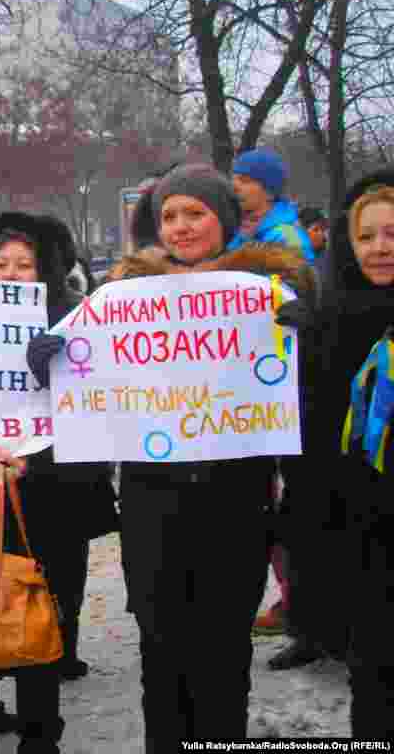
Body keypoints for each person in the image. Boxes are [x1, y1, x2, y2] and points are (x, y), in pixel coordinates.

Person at [96, 164, 313, 751]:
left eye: (196, 212)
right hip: (152, 503)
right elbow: (90, 378)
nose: (181, 226)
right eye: (169, 215)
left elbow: (307, 394)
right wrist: (56, 355)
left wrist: (305, 337)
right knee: (160, 649)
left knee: (223, 653)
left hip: (234, 501)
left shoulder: (268, 288)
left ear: (225, 218)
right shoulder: (123, 298)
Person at [0, 211, 119, 754]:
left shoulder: (72, 327)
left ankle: (40, 737)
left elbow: (91, 421)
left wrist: (51, 382)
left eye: (25, 265)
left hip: (47, 502)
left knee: (39, 624)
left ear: (44, 273)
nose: (12, 274)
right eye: (2, 264)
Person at [279, 170, 394, 738]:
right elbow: (308, 436)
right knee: (373, 674)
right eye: (366, 236)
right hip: (361, 531)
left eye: (392, 233)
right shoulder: (328, 317)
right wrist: (296, 346)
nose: (380, 247)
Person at [231, 148, 315, 261]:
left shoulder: (289, 238)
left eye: (245, 181)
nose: (234, 186)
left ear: (270, 192)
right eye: (234, 179)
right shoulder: (236, 229)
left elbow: (293, 272)